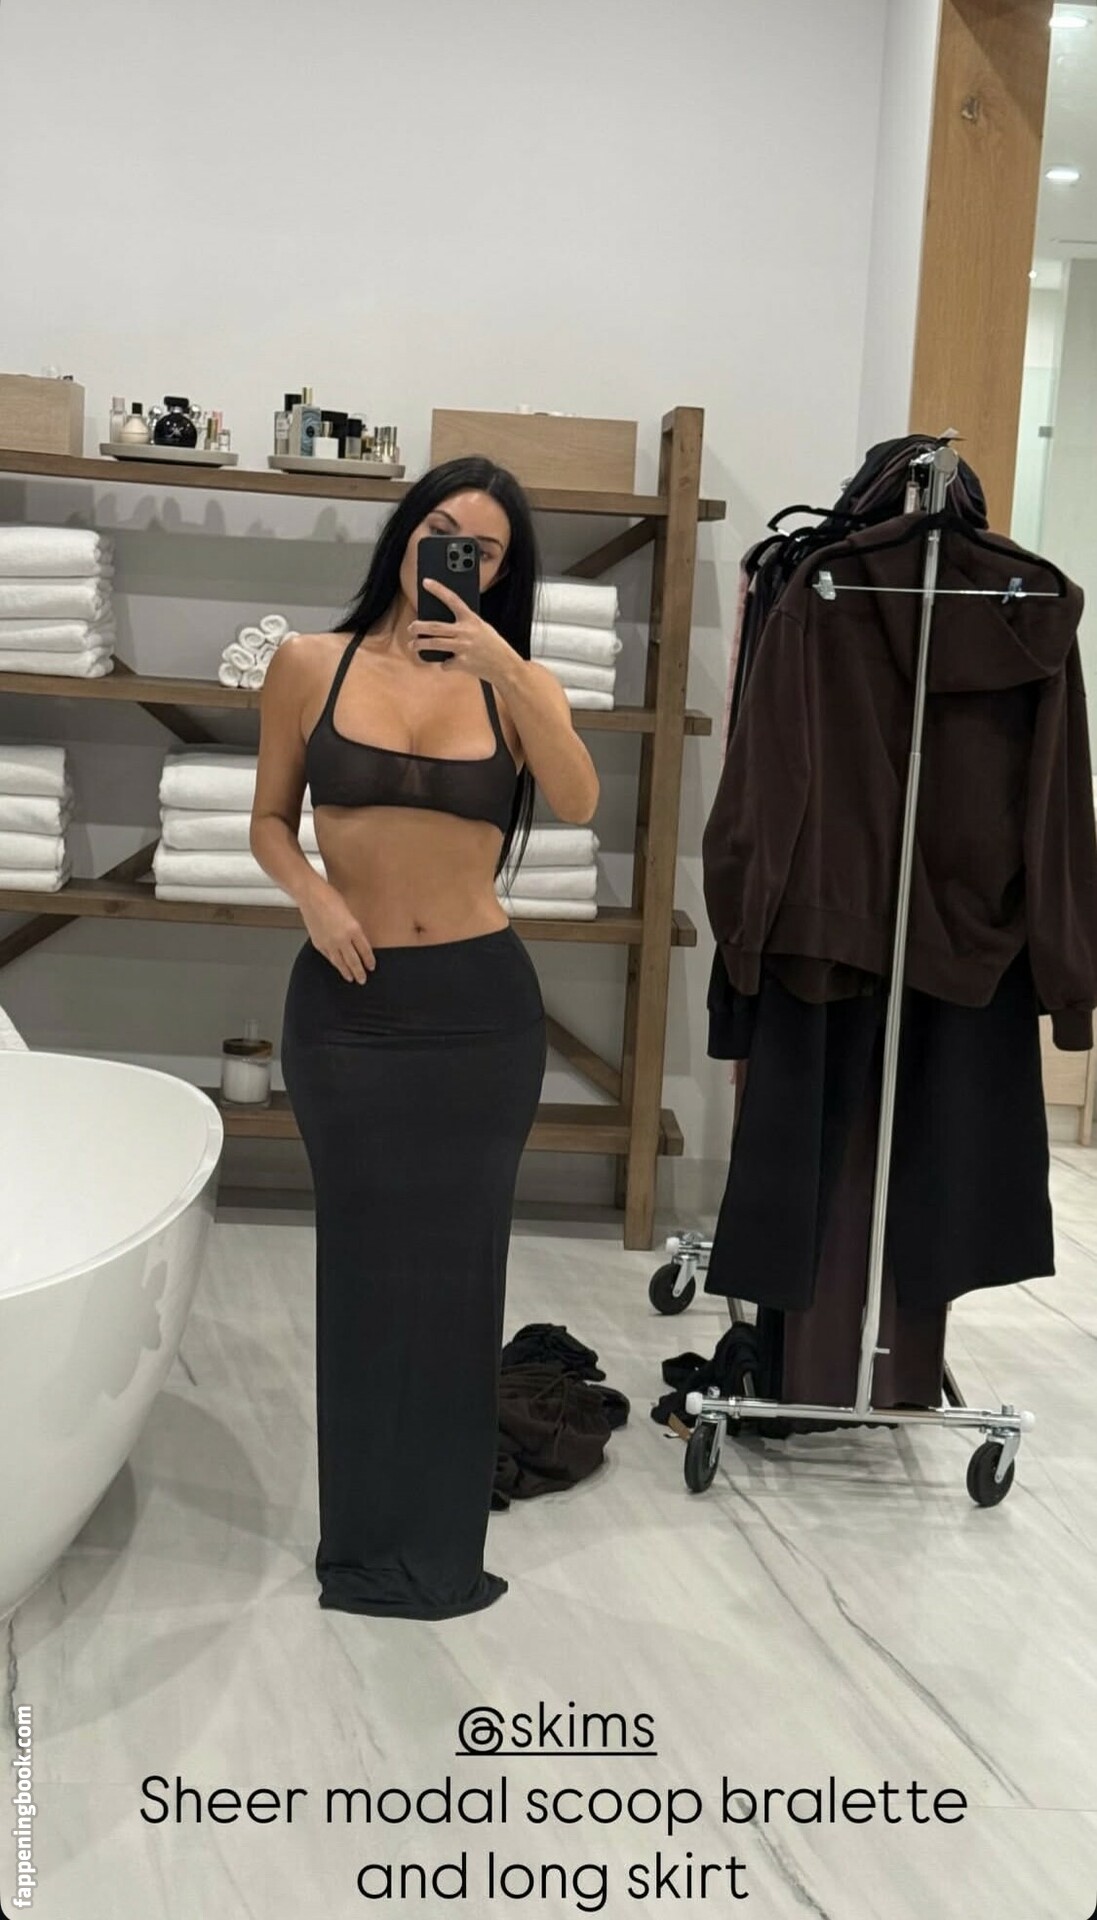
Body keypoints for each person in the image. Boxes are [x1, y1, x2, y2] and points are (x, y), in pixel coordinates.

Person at [251, 457, 600, 1619]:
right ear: (404, 532)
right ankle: (360, 1545)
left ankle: (439, 1545)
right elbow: (268, 820)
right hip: (346, 1013)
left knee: (458, 1278)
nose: (454, 553)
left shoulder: (518, 682)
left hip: (477, 1015)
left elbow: (579, 798)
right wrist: (313, 895)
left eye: (482, 547)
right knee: (359, 1269)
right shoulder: (309, 663)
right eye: (439, 529)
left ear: (502, 572)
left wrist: (503, 665)